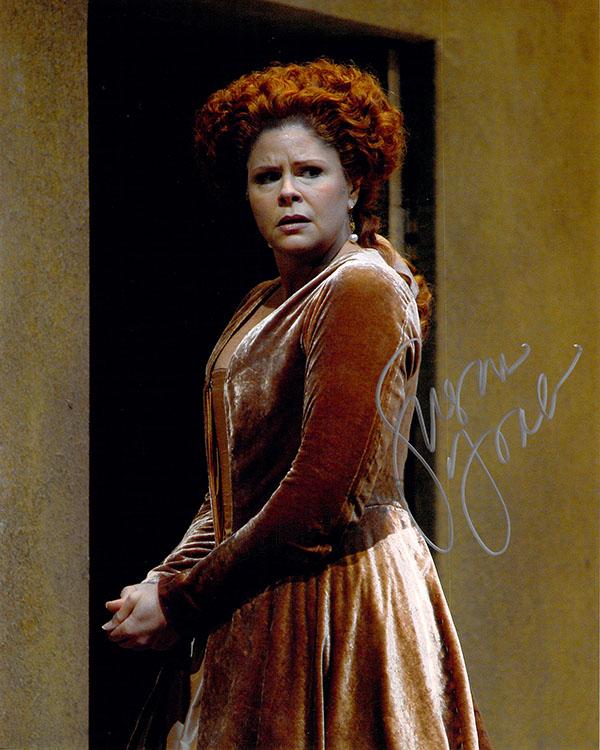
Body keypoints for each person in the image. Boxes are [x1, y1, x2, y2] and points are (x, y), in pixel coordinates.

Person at [103, 59, 491, 749]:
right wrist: (165, 578)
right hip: (255, 590)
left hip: (339, 602)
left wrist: (182, 602)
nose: (288, 192)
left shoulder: (360, 288)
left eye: (310, 172)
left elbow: (318, 499)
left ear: (354, 184)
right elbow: (232, 488)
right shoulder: (263, 302)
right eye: (267, 178)